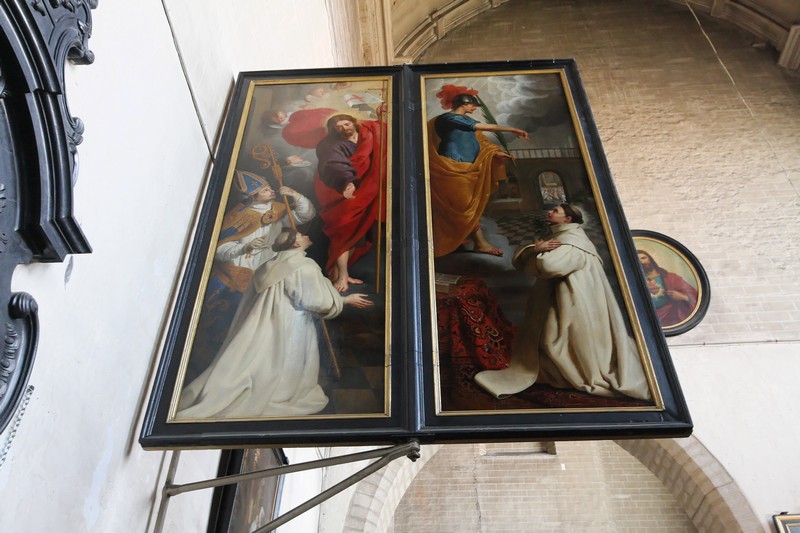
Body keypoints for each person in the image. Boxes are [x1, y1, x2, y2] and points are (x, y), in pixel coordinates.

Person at [177, 228, 373, 419]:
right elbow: (314, 301)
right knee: (284, 362)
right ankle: (282, 393)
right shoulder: (303, 266)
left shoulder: (267, 266)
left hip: (262, 326)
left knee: (264, 360)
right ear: (296, 244)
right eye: (301, 235)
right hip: (290, 324)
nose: (306, 235)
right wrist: (344, 300)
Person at [474, 203, 652, 401]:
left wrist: (537, 251)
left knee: (559, 337)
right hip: (566, 294)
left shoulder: (571, 241)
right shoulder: (564, 236)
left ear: (567, 219)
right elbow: (532, 262)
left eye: (556, 211)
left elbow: (549, 266)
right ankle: (562, 369)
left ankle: (572, 372)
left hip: (575, 298)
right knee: (555, 336)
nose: (550, 212)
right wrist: (535, 249)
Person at [188, 170, 316, 380]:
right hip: (235, 278)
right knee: (228, 327)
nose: (271, 190)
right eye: (265, 190)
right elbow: (218, 250)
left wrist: (295, 195)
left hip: (267, 274)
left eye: (268, 187)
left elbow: (306, 215)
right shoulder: (237, 216)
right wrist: (244, 247)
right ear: (253, 196)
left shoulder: (277, 209)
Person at [428, 93, 528, 257]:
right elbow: (485, 127)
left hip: (470, 167)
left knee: (467, 205)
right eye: (473, 105)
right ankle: (480, 243)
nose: (474, 108)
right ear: (463, 104)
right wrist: (513, 129)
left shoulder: (465, 121)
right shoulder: (449, 118)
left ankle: (465, 239)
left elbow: (481, 142)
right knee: (464, 205)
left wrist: (496, 153)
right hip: (452, 166)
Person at [314, 111, 386, 292]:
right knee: (344, 233)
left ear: (354, 123)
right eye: (338, 127)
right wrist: (346, 182)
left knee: (357, 235)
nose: (344, 128)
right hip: (345, 195)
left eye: (346, 124)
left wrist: (381, 117)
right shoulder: (330, 145)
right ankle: (342, 276)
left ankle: (339, 274)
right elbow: (333, 165)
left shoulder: (367, 133)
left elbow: (382, 133)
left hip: (367, 191)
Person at [638, 249, 698, 327]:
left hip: (671, 316)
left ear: (650, 259)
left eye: (643, 258)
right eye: (638, 260)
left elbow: (694, 296)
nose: (642, 262)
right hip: (648, 318)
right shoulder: (637, 281)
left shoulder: (672, 277)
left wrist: (683, 297)